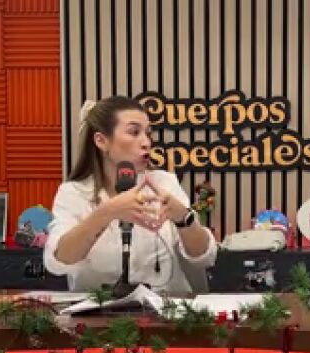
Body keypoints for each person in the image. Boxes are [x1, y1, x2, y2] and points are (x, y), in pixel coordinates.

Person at [44, 96, 217, 292]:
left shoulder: (164, 183)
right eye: (134, 132)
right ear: (101, 140)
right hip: (99, 308)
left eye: (148, 133)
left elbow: (204, 257)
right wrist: (106, 212)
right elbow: (57, 262)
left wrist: (183, 218)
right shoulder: (74, 193)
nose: (146, 142)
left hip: (164, 306)